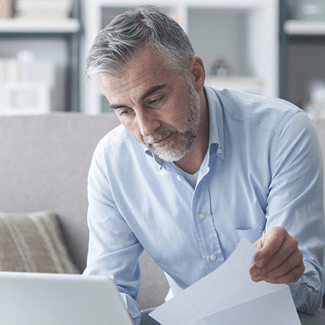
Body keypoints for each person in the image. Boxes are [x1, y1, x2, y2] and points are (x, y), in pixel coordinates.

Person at [84, 6, 325, 325]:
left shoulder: (282, 133)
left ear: (195, 74)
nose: (146, 129)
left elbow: (308, 289)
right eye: (124, 111)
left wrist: (285, 273)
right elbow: (108, 291)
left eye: (154, 100)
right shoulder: (111, 162)